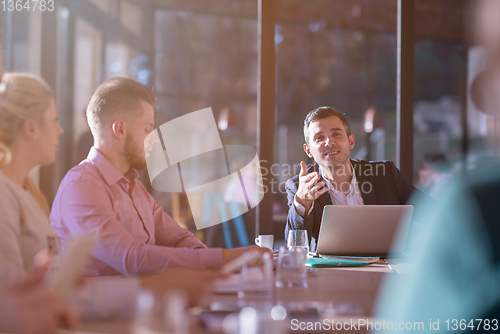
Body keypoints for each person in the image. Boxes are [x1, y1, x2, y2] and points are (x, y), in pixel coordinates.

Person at [0, 73, 223, 325]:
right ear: (30, 129)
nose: (61, 130)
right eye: (54, 120)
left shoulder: (29, 196)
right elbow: (133, 260)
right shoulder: (78, 186)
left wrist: (199, 264)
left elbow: (45, 294)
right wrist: (216, 262)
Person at [50, 76, 266, 276]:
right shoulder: (82, 187)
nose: (154, 140)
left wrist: (203, 262)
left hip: (142, 307)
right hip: (100, 316)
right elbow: (133, 260)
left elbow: (179, 238)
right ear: (120, 129)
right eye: (147, 129)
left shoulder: (134, 188)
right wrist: (227, 257)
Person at [285, 106, 419, 251]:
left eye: (336, 134)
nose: (329, 142)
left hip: (386, 268)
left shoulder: (386, 174)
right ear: (308, 150)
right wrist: (302, 202)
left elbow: (431, 210)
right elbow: (294, 245)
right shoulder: (299, 186)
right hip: (330, 271)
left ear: (351, 142)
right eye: (319, 138)